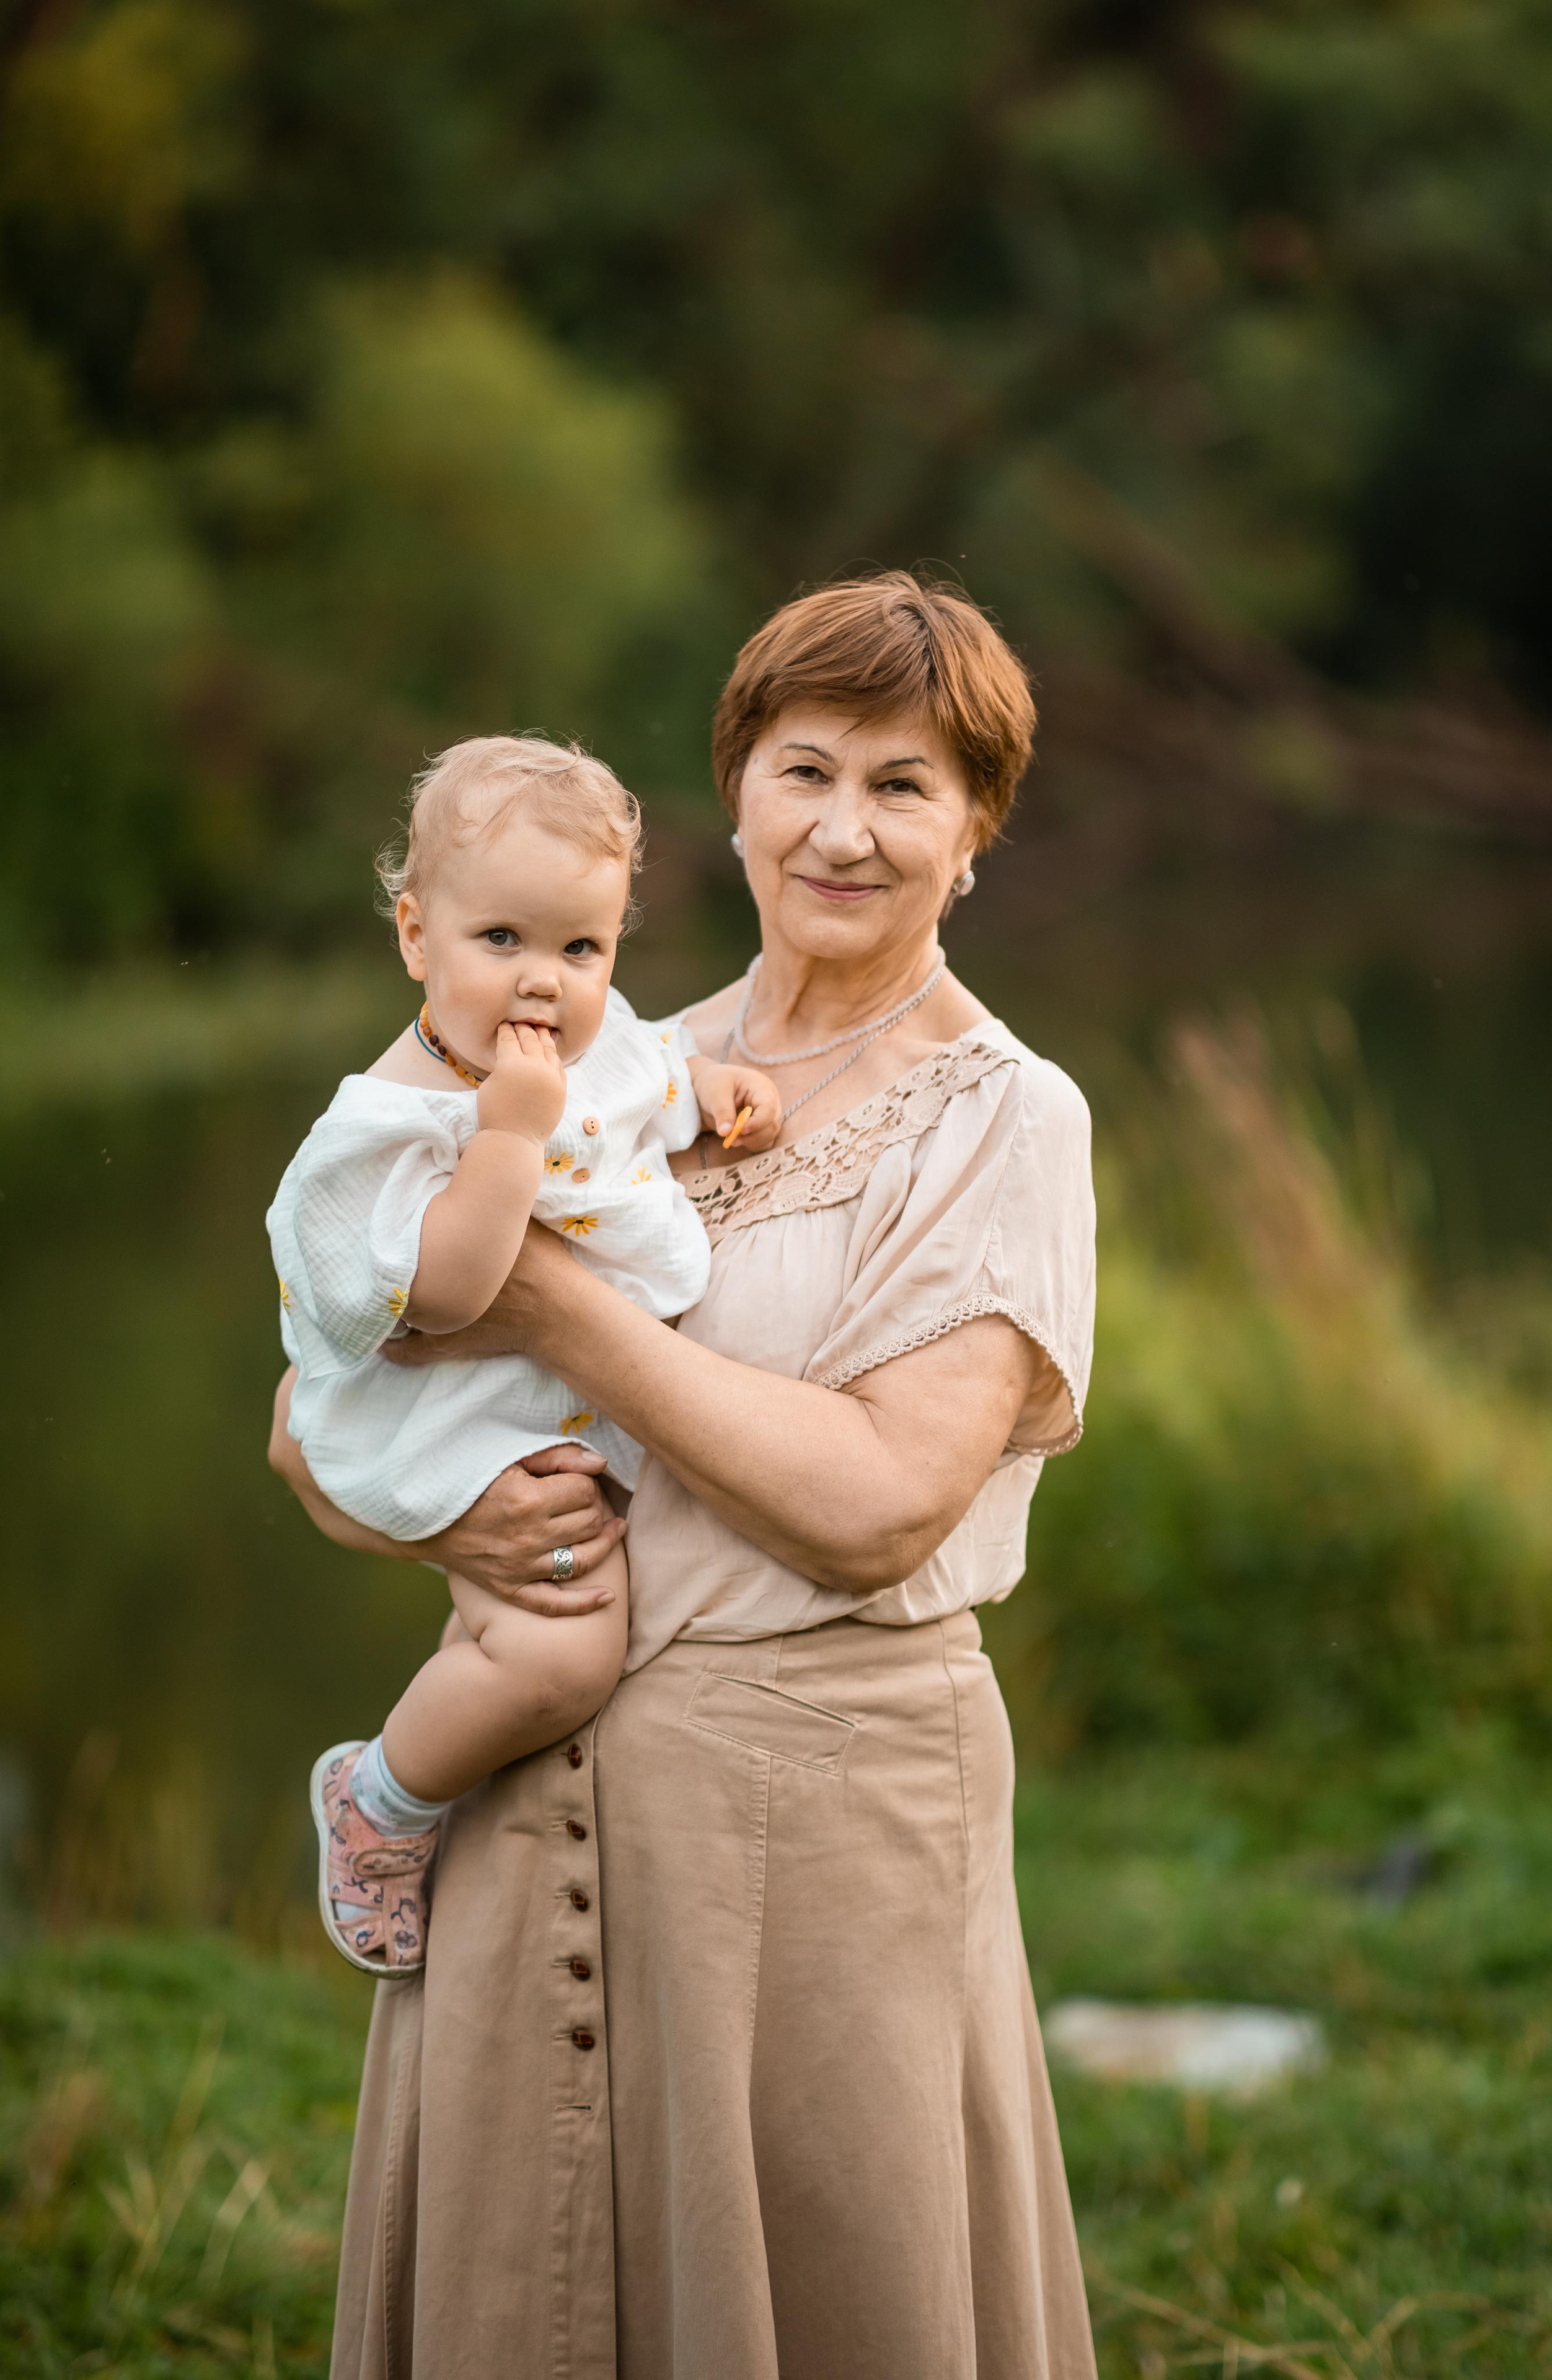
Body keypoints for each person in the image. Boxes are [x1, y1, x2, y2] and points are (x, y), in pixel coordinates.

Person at [271, 572, 1100, 2377]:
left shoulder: (1002, 1116)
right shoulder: (593, 1048)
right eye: (807, 769)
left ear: (978, 834)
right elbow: (310, 1411)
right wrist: (446, 1514)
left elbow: (887, 1498)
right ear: (733, 798)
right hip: (516, 1809)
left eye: (908, 785)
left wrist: (553, 1313)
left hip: (824, 1835)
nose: (846, 828)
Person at [267, 734, 778, 1973]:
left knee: (563, 1629)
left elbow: (648, 1073)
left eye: (580, 948)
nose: (542, 983)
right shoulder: (390, 1125)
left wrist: (712, 1087)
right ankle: (379, 1799)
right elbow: (448, 1295)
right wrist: (504, 1139)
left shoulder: (584, 1047)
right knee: (559, 1652)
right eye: (500, 941)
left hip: (557, 1404)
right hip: (456, 1418)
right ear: (415, 939)